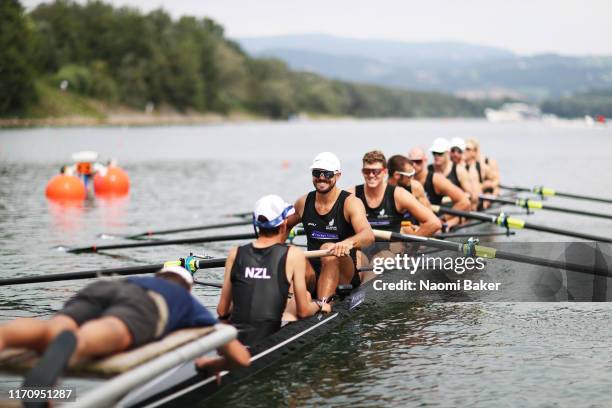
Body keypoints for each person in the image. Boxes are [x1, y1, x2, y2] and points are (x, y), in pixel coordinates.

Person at [0, 267, 250, 371]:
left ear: (159, 276)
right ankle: (75, 345)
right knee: (110, 328)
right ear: (186, 288)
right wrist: (209, 365)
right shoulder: (186, 301)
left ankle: (5, 335)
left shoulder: (141, 279)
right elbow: (241, 358)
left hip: (106, 287)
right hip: (146, 305)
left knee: (53, 328)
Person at [216, 195, 332, 346]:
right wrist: (320, 305)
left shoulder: (235, 253)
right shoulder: (293, 254)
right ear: (284, 223)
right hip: (269, 334)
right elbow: (303, 311)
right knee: (306, 296)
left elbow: (222, 311)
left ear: (256, 224)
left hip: (237, 336)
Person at [286, 152, 375, 299]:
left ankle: (323, 306)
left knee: (328, 248)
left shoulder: (350, 203)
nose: (321, 177)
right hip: (314, 271)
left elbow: (368, 235)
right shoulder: (303, 202)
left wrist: (348, 242)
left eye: (327, 174)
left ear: (338, 175)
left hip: (344, 272)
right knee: (292, 256)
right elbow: (283, 226)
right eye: (317, 173)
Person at [407, 146, 470, 230]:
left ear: (425, 160)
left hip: (434, 225)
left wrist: (443, 219)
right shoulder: (405, 179)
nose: (414, 165)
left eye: (418, 161)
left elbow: (464, 202)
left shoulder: (437, 180)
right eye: (411, 162)